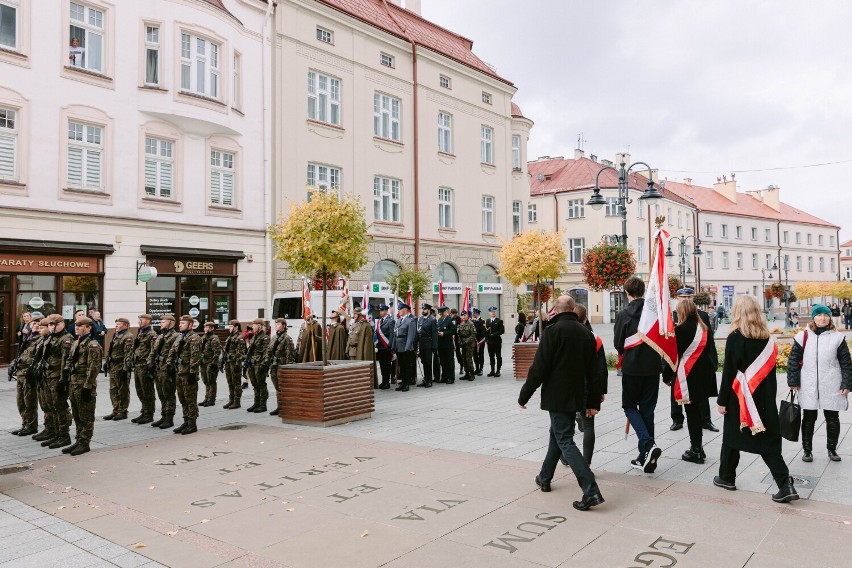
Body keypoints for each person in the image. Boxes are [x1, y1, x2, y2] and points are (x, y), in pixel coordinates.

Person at [518, 295, 604, 511]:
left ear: (555, 309)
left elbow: (540, 367)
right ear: (573, 309)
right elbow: (594, 372)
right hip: (576, 395)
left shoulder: (552, 331)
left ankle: (591, 490)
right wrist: (593, 401)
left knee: (564, 439)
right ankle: (544, 477)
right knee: (556, 434)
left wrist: (524, 395)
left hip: (557, 396)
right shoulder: (586, 333)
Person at [714, 295, 798, 503]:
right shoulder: (767, 340)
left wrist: (722, 400)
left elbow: (729, 373)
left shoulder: (735, 337)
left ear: (738, 313)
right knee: (747, 439)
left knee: (741, 437)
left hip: (741, 399)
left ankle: (784, 485)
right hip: (764, 399)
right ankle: (726, 476)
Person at [787, 304, 852, 463]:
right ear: (813, 317)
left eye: (826, 315)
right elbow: (793, 360)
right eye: (819, 315)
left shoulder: (837, 337)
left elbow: (845, 362)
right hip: (808, 383)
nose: (822, 318)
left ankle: (832, 449)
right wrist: (793, 381)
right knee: (808, 417)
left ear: (830, 317)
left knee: (832, 417)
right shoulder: (803, 336)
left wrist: (846, 383)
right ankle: (807, 450)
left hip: (831, 382)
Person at [613, 276, 663, 473]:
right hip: (652, 368)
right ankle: (646, 459)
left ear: (627, 293)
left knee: (629, 406)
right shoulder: (654, 314)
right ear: (643, 292)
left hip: (632, 368)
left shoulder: (624, 314)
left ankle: (648, 445)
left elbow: (618, 344)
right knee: (648, 411)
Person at [663, 298, 718, 465]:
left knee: (691, 413)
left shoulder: (680, 330)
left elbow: (672, 357)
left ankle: (696, 450)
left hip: (688, 375)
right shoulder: (704, 328)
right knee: (698, 411)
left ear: (682, 312)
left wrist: (666, 376)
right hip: (704, 374)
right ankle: (698, 447)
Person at [670, 288, 718, 433]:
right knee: (676, 391)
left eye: (689, 297)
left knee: (701, 393)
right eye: (682, 297)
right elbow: (668, 344)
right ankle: (677, 419)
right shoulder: (671, 316)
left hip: (698, 361)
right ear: (677, 298)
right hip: (679, 362)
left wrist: (713, 360)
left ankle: (706, 420)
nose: (686, 299)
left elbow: (710, 340)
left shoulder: (702, 315)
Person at [572, 304, 607, 466]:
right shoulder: (595, 339)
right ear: (586, 318)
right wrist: (601, 391)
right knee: (589, 426)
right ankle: (586, 463)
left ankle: (565, 455)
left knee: (562, 427)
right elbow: (601, 368)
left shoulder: (565, 335)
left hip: (568, 388)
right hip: (587, 389)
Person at [63, 317, 102, 456]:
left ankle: (85, 443)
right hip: (73, 383)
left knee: (86, 415)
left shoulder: (93, 345)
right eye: (76, 326)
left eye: (80, 326)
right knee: (77, 415)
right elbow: (69, 361)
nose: (77, 328)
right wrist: (65, 377)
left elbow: (94, 367)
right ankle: (79, 440)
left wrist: (88, 386)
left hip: (84, 384)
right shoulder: (76, 342)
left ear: (89, 327)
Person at [44, 315, 75, 449]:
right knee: (51, 406)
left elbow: (65, 360)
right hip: (48, 375)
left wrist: (63, 379)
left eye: (54, 324)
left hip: (58, 377)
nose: (52, 327)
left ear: (62, 324)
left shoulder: (66, 339)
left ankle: (64, 436)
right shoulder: (52, 337)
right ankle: (56, 434)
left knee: (60, 406)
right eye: (50, 325)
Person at [167, 316, 202, 434]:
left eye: (183, 323)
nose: (180, 325)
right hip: (179, 372)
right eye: (180, 323)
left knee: (190, 399)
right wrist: (169, 365)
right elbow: (172, 352)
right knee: (182, 399)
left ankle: (192, 424)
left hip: (188, 374)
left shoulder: (194, 338)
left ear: (190, 325)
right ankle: (186, 421)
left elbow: (195, 357)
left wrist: (193, 372)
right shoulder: (179, 337)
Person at [12, 317, 41, 437]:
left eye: (39, 323)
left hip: (29, 375)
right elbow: (22, 354)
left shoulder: (40, 339)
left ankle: (32, 426)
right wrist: (14, 363)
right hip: (20, 373)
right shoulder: (28, 337)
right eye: (34, 323)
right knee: (20, 402)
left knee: (30, 401)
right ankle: (25, 424)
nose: (36, 325)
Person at [149, 315, 179, 429]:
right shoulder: (161, 336)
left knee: (169, 394)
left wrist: (171, 367)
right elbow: (153, 352)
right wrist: (150, 365)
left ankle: (169, 418)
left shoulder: (176, 336)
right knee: (161, 395)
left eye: (163, 322)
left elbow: (175, 353)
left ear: (171, 323)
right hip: (158, 369)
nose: (160, 323)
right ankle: (163, 416)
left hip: (167, 370)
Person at [104, 317, 134, 421]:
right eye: (116, 324)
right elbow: (111, 349)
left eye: (119, 324)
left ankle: (123, 411)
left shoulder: (128, 337)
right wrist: (107, 361)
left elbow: (128, 354)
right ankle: (116, 410)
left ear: (125, 325)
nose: (116, 326)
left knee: (123, 390)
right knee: (113, 389)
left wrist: (125, 368)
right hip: (113, 366)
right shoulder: (116, 335)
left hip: (121, 366)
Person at [131, 314, 158, 424]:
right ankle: (144, 411)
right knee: (140, 390)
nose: (139, 322)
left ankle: (149, 414)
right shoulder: (141, 332)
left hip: (145, 366)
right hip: (138, 365)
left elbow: (153, 350)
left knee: (147, 391)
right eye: (139, 320)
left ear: (148, 321)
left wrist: (150, 366)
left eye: (141, 320)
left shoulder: (151, 334)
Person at [267, 318, 296, 416]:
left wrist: (289, 368)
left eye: (278, 324)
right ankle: (279, 406)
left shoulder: (287, 338)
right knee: (277, 388)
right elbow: (269, 351)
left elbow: (290, 355)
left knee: (283, 388)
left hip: (282, 366)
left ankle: (286, 408)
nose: (276, 326)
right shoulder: (274, 337)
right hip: (274, 366)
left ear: (284, 325)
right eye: (276, 324)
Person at [245, 319, 271, 413]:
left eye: (255, 325)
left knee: (261, 384)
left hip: (260, 364)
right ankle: (257, 403)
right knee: (255, 384)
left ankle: (263, 405)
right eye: (253, 325)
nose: (253, 327)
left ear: (260, 326)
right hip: (252, 363)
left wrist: (264, 364)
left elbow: (267, 352)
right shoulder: (254, 337)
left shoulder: (265, 338)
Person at [222, 320, 246, 409]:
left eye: (231, 326)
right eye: (229, 326)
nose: (229, 328)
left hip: (235, 363)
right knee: (230, 382)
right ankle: (231, 400)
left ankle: (237, 401)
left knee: (236, 383)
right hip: (228, 362)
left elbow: (241, 353)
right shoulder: (230, 337)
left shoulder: (239, 337)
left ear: (236, 327)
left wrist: (237, 363)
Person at [393, 303, 417, 391]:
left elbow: (411, 336)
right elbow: (395, 334)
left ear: (406, 310)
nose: (399, 311)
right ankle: (402, 383)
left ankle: (406, 384)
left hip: (405, 346)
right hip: (399, 346)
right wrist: (394, 345)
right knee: (401, 366)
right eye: (399, 309)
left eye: (400, 309)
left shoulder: (410, 321)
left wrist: (407, 347)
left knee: (406, 366)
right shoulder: (398, 321)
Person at [199, 322, 222, 407]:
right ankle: (207, 398)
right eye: (205, 327)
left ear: (212, 328)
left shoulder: (214, 338)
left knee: (211, 381)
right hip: (203, 362)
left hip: (211, 363)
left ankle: (211, 399)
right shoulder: (204, 337)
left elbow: (217, 352)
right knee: (206, 381)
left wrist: (214, 363)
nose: (205, 329)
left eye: (207, 327)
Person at [417, 303, 438, 388]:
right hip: (421, 343)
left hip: (428, 343)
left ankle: (429, 380)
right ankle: (425, 379)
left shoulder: (432, 320)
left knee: (428, 363)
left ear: (428, 310)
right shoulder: (421, 319)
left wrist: (434, 346)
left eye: (425, 309)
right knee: (424, 362)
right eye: (423, 309)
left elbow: (434, 334)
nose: (423, 311)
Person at [375, 305, 395, 388]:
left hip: (386, 347)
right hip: (380, 346)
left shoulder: (390, 321)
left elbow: (392, 334)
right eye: (380, 310)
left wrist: (390, 346)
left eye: (382, 310)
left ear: (386, 311)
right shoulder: (379, 321)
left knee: (387, 365)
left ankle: (387, 382)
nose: (380, 312)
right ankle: (384, 380)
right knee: (382, 365)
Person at [436, 306, 456, 384]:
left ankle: (451, 377)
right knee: (443, 361)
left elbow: (453, 331)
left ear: (446, 312)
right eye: (440, 312)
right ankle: (444, 376)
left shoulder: (451, 319)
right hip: (440, 344)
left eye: (442, 312)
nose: (440, 314)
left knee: (449, 361)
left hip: (448, 344)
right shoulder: (440, 320)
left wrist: (444, 333)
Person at [457, 311, 477, 381]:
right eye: (462, 316)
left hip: (469, 345)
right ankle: (467, 373)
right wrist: (460, 342)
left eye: (465, 315)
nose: (464, 317)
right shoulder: (461, 324)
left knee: (468, 359)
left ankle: (472, 374)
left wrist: (466, 342)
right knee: (464, 359)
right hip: (463, 345)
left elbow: (473, 334)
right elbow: (459, 335)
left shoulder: (471, 324)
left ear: (467, 316)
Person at [485, 307, 505, 377]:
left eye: (494, 312)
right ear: (489, 313)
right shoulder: (487, 321)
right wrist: (487, 339)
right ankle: (492, 370)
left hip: (497, 341)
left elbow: (502, 331)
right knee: (491, 356)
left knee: (498, 356)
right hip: (490, 342)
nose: (493, 313)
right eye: (491, 312)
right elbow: (486, 331)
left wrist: (494, 334)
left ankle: (498, 370)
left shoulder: (499, 321)